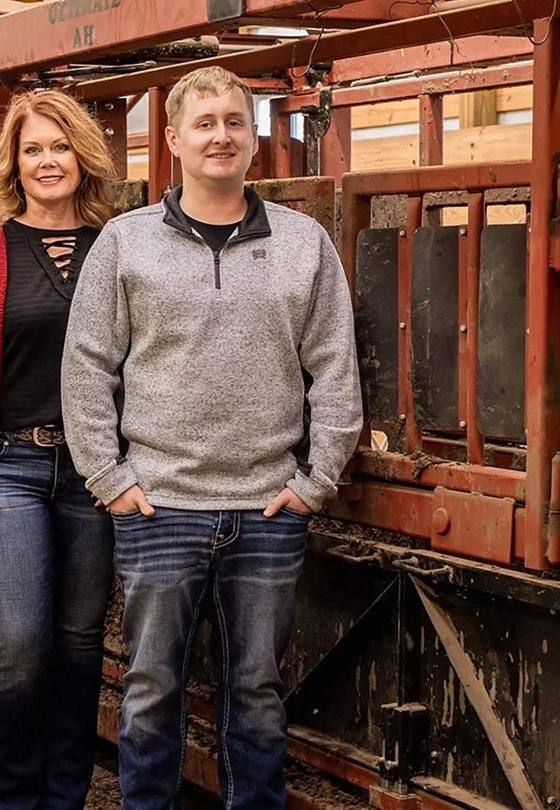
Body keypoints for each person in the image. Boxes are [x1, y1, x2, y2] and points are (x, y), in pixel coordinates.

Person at [61, 66, 363, 810]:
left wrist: (312, 481)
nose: (221, 136)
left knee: (257, 695)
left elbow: (335, 368)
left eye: (235, 121)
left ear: (254, 140)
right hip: (159, 506)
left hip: (267, 508)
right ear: (173, 141)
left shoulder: (304, 243)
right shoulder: (125, 244)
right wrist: (112, 478)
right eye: (204, 123)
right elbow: (86, 367)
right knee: (151, 690)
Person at [0, 88, 119, 810]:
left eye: (60, 146)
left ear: (83, 156)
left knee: (77, 642)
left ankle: (64, 796)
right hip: (12, 467)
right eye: (33, 148)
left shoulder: (119, 244)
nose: (47, 161)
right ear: (14, 161)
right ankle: (10, 796)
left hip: (96, 470)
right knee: (16, 643)